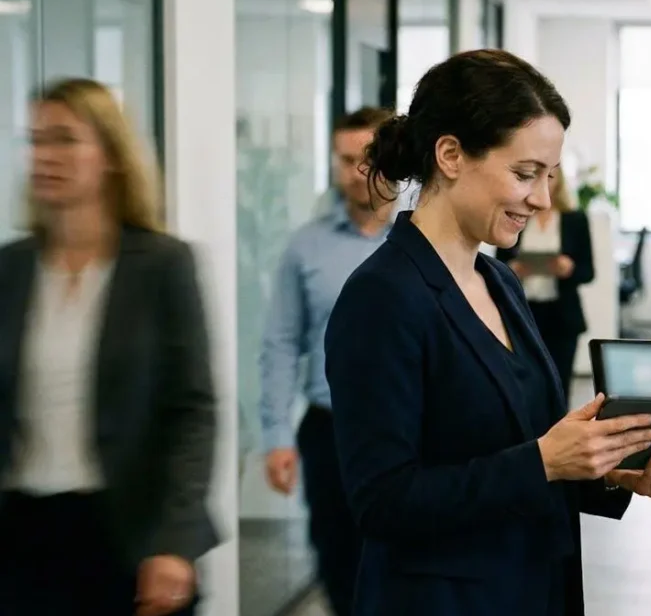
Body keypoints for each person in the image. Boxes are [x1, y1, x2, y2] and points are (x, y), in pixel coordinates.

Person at [323, 49, 651, 616]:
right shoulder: (382, 296)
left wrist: (604, 471)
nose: (543, 198)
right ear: (450, 154)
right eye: (525, 174)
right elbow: (383, 501)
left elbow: (520, 444)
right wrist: (546, 462)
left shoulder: (499, 279)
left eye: (548, 176)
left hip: (533, 584)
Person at [0, 77, 218, 615]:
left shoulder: (164, 265)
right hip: (20, 533)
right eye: (36, 140)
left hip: (129, 535)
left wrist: (175, 539)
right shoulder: (11, 268)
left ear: (112, 155)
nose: (45, 155)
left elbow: (192, 411)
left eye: (65, 139)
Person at [258, 106, 395, 615]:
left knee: (405, 565)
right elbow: (279, 341)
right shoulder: (306, 246)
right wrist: (275, 436)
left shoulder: (424, 241)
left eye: (367, 159)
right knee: (339, 564)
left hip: (409, 434)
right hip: (329, 433)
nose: (356, 172)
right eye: (344, 160)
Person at [495, 171, 595, 396]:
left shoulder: (574, 219)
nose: (544, 182)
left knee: (560, 384)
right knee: (527, 384)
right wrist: (513, 269)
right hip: (525, 312)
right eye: (536, 175)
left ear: (560, 180)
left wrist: (568, 269)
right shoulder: (515, 215)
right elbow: (497, 264)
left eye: (550, 176)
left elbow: (588, 271)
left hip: (562, 315)